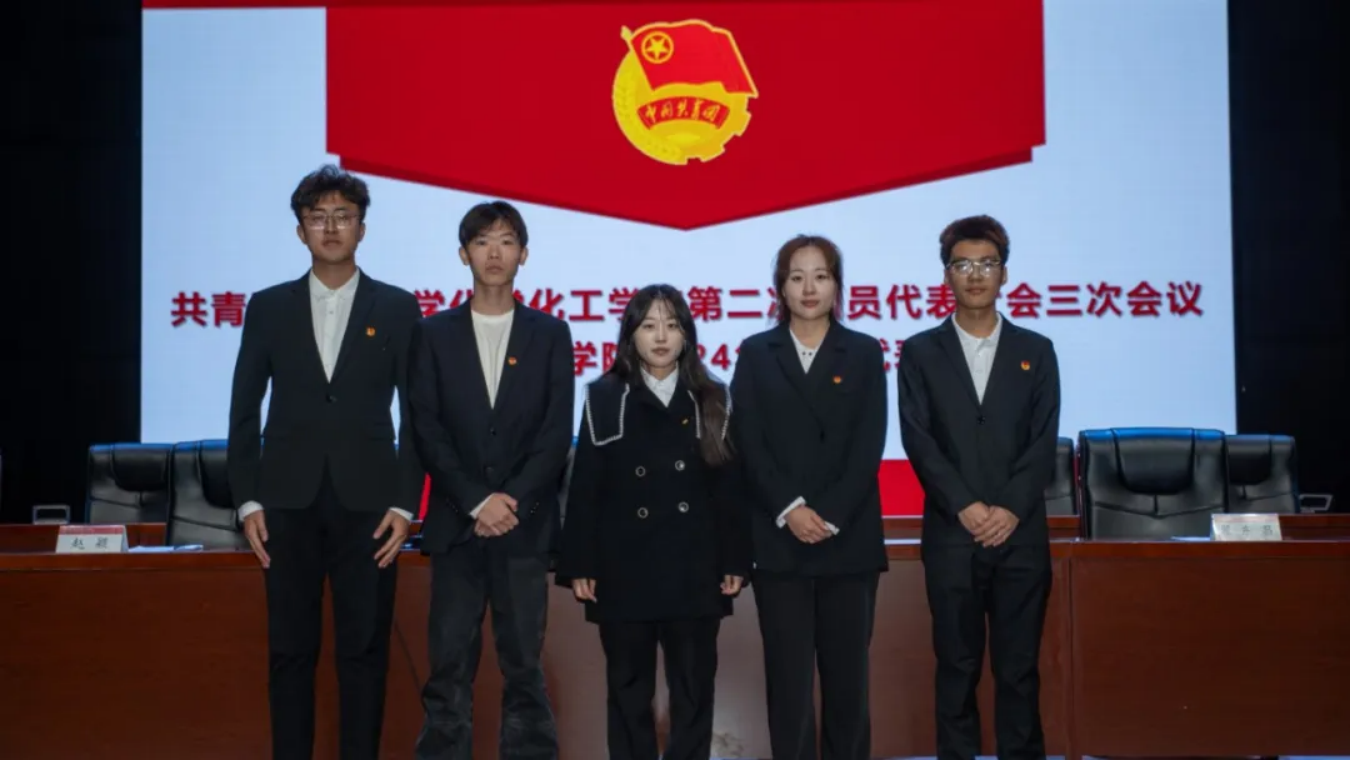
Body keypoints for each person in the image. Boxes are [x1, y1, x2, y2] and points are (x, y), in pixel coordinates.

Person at [227, 164, 424, 760]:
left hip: (371, 506)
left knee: (364, 651)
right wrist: (248, 499)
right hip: (285, 503)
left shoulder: (398, 307)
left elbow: (417, 414)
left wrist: (404, 503)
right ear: (300, 231)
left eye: (343, 216)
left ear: (362, 229)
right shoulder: (268, 307)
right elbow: (243, 409)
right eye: (318, 217)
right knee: (290, 651)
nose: (331, 227)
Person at [407, 200, 574, 760]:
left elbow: (555, 434)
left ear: (523, 254)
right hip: (457, 527)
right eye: (482, 242)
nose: (494, 253)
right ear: (464, 254)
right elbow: (426, 428)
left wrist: (512, 501)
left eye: (506, 241)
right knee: (448, 667)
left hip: (524, 530)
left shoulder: (550, 334)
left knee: (524, 666)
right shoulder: (432, 334)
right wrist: (478, 501)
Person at [556, 285, 751, 760]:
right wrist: (580, 563)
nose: (661, 337)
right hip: (624, 567)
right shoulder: (604, 396)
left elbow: (729, 488)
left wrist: (735, 559)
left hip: (695, 566)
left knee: (694, 689)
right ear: (631, 336)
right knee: (627, 690)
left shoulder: (713, 396)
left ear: (687, 335)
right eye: (648, 326)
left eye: (672, 325)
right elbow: (585, 488)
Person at [896, 215, 1061, 760]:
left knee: (1018, 669)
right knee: (956, 667)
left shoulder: (1036, 349)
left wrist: (1009, 508)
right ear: (946, 275)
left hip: (1021, 538)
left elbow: (1043, 440)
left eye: (987, 264)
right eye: (962, 265)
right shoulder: (920, 351)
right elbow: (918, 438)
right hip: (952, 536)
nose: (975, 275)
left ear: (1005, 273)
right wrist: (965, 505)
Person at [729, 235, 888, 760]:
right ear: (780, 288)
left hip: (849, 542)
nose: (809, 288)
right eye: (796, 277)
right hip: (781, 543)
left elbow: (868, 443)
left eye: (821, 275)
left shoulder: (863, 351)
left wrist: (831, 515)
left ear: (837, 285)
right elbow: (748, 441)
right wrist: (790, 510)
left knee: (849, 684)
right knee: (789, 685)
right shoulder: (757, 353)